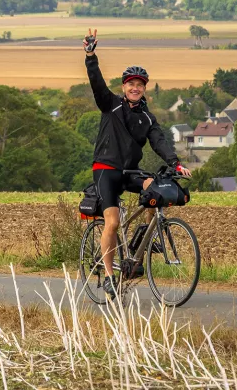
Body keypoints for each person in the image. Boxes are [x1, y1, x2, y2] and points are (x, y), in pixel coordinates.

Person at [82, 28, 191, 299]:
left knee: (157, 190)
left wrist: (175, 163)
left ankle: (145, 236)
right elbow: (96, 82)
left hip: (130, 171)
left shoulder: (148, 117)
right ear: (124, 87)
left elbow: (160, 141)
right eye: (131, 83)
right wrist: (90, 55)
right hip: (106, 169)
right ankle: (108, 276)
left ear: (144, 89)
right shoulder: (111, 105)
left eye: (140, 85)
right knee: (113, 221)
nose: (135, 88)